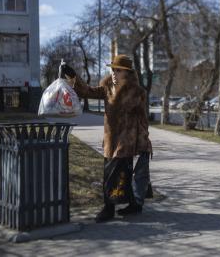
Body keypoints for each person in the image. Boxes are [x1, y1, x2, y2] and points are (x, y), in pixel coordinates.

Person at [61, 54, 152, 222]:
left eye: (118, 71)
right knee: (117, 174)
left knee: (114, 175)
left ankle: (109, 208)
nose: (114, 73)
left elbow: (142, 119)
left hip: (127, 140)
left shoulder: (137, 92)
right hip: (111, 140)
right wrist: (72, 75)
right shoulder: (107, 87)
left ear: (127, 73)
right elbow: (86, 91)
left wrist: (144, 142)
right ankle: (132, 204)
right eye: (113, 70)